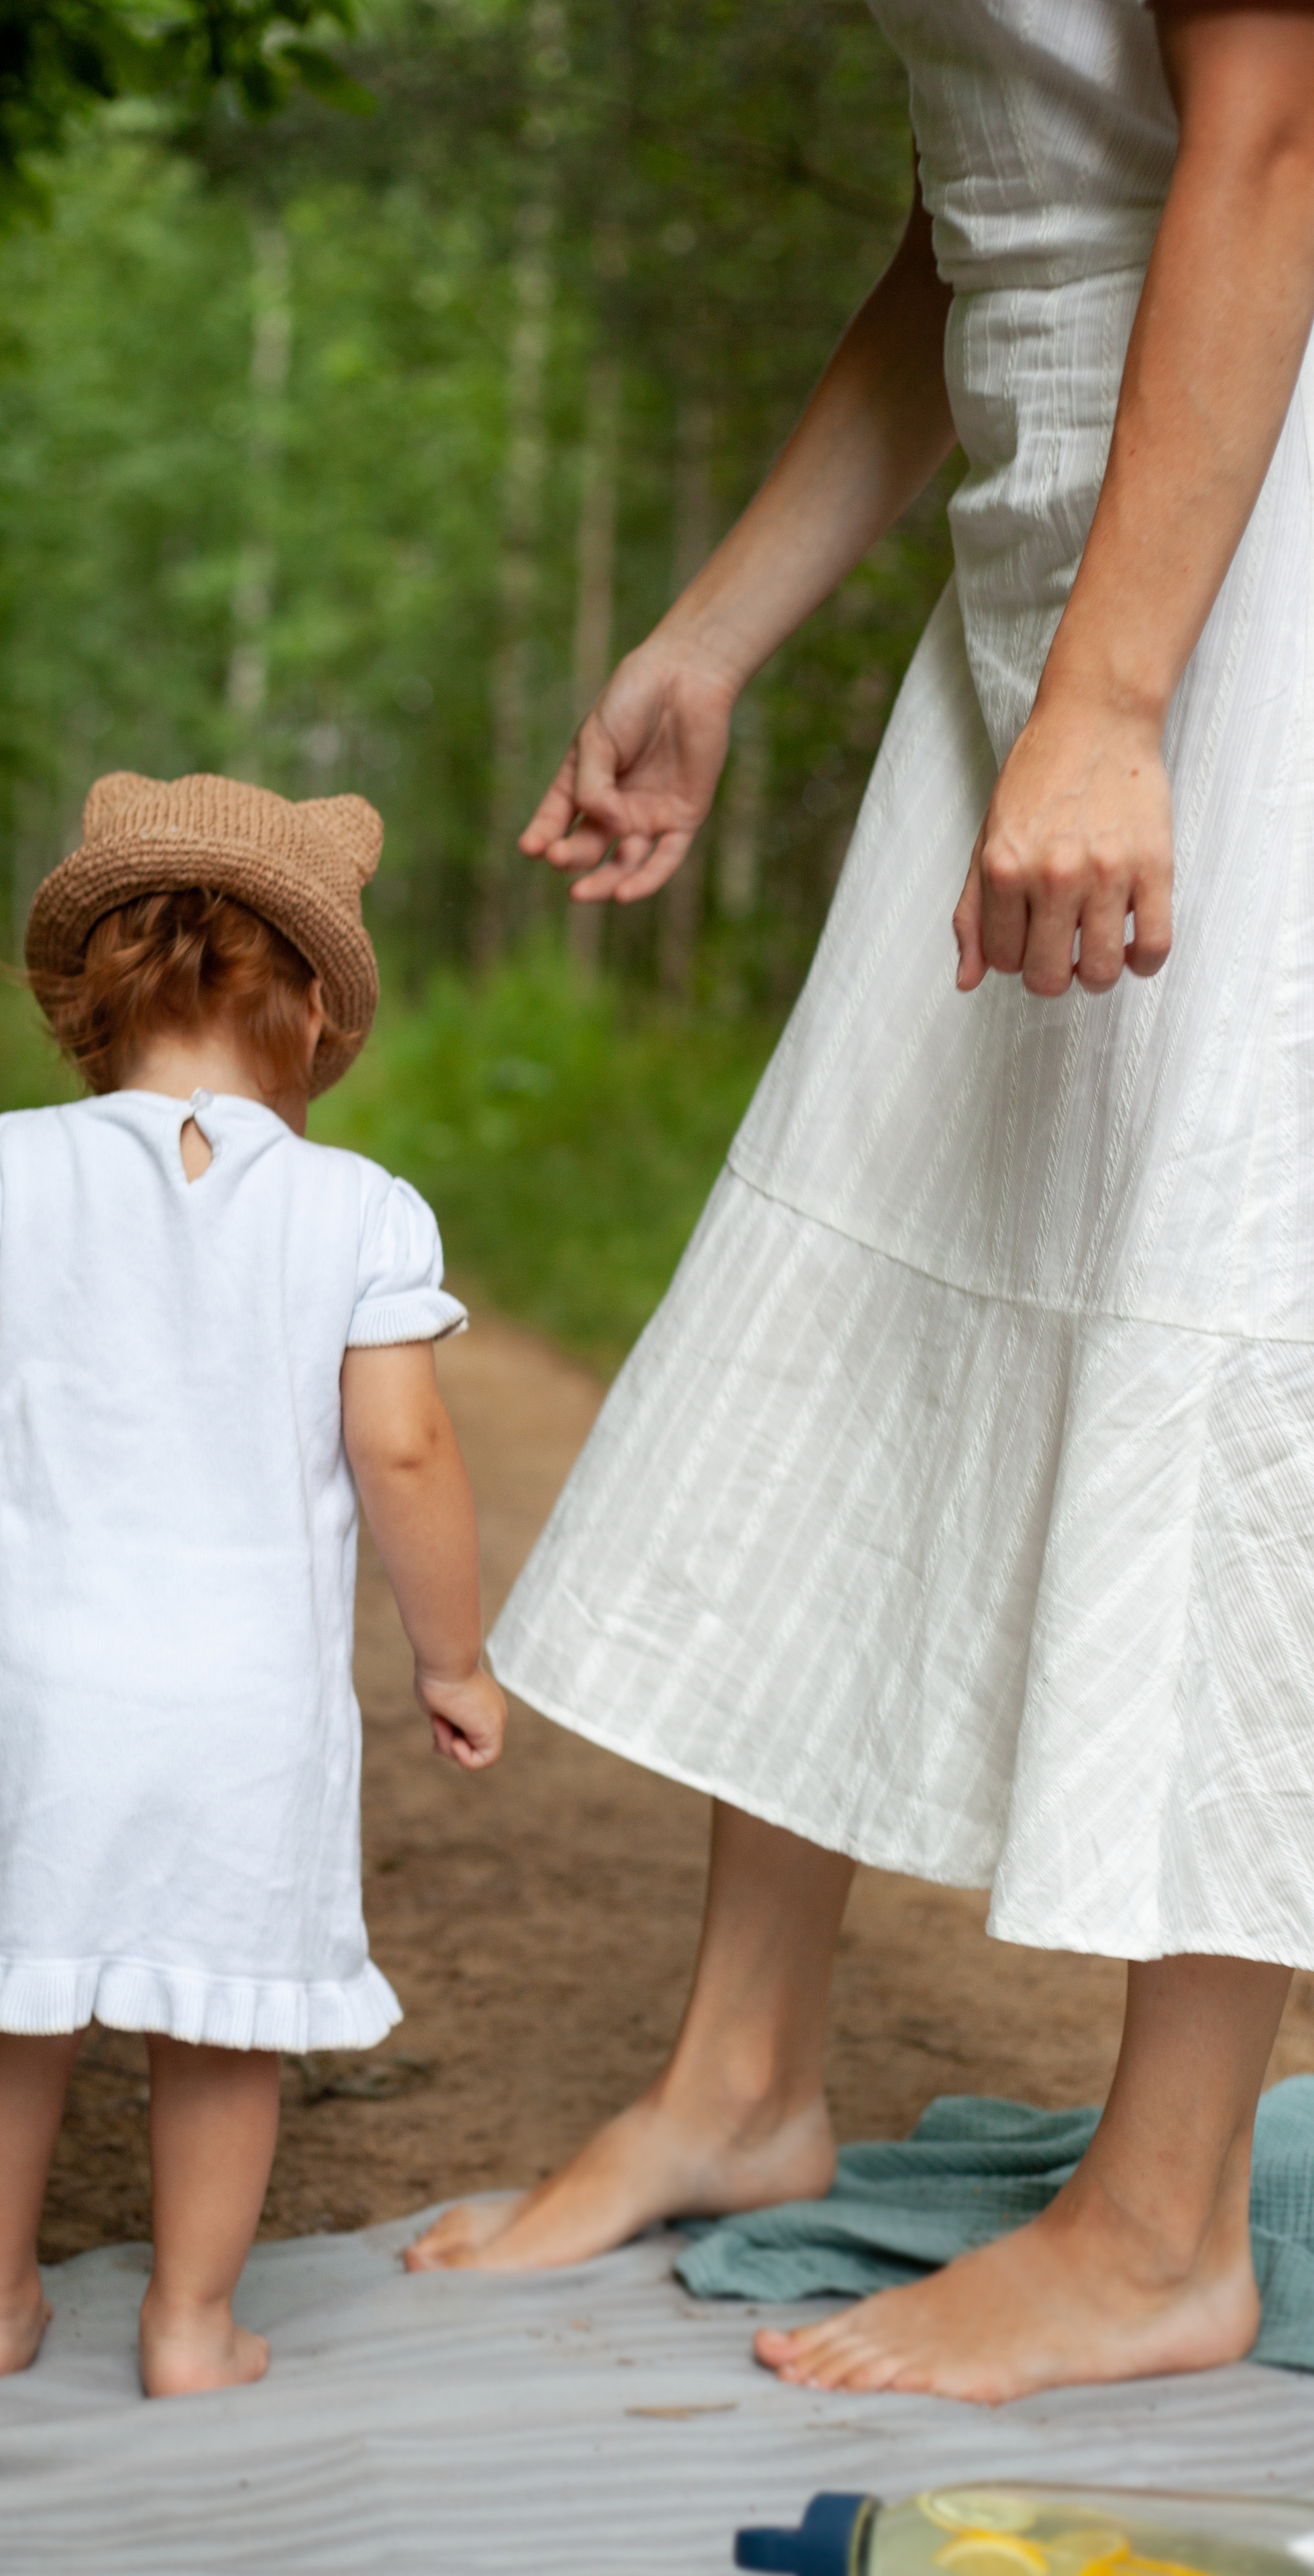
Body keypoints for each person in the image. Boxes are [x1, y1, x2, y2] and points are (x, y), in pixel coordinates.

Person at [406, 0, 1314, 2406]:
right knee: (867, 1211)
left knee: (1222, 1295)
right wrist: (713, 634)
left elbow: (1273, 128)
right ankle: (741, 2079)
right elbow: (994, 198)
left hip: (1256, 499)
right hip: (1058, 514)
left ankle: (1161, 2221)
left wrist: (1114, 699)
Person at [0, 771, 507, 2396]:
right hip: (248, 1704)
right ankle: (190, 2327)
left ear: (83, 996)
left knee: (5, 2000)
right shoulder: (360, 1212)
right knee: (222, 2016)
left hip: (49, 1692)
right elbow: (404, 1457)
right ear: (322, 1009)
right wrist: (451, 1660)